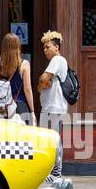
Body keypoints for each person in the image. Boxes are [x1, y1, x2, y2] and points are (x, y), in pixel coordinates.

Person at [37, 30, 71, 180]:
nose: (45, 50)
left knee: (53, 140)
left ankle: (56, 172)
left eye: (48, 47)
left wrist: (41, 81)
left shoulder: (58, 60)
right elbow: (41, 84)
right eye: (44, 48)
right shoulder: (56, 62)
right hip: (50, 107)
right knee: (49, 139)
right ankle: (51, 171)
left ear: (56, 47)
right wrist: (41, 83)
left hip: (54, 108)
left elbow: (43, 79)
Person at [0, 33, 35, 124]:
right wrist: (32, 111)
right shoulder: (24, 64)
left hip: (2, 107)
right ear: (18, 46)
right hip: (19, 106)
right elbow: (28, 89)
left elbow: (0, 85)